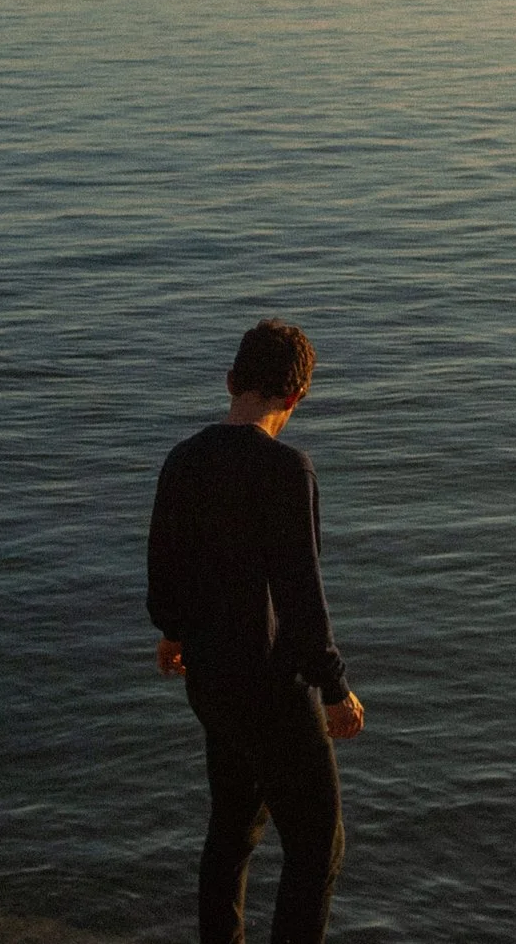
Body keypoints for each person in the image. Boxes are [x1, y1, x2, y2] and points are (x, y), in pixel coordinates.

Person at [148, 319, 365, 944]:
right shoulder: (286, 469)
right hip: (272, 689)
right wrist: (335, 688)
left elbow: (164, 565)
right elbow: (301, 596)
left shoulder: (183, 459)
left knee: (232, 830)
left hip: (210, 680)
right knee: (318, 845)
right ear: (295, 397)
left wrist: (173, 633)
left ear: (230, 381)